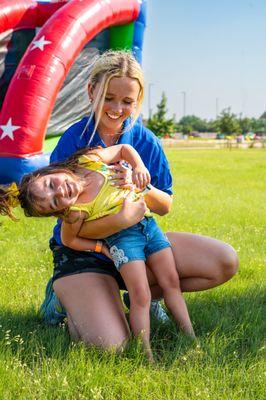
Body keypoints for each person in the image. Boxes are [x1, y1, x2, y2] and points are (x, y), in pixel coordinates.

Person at [3, 50, 238, 352]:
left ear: (137, 101)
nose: (116, 108)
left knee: (223, 262)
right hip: (86, 253)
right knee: (111, 346)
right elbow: (73, 228)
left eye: (127, 101)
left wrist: (137, 188)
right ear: (91, 91)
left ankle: (139, 297)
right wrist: (122, 218)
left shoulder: (145, 141)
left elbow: (164, 205)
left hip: (134, 241)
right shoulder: (76, 141)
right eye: (108, 97)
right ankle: (66, 300)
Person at [0, 144, 195, 361]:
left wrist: (138, 167)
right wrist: (100, 248)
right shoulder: (75, 211)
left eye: (51, 183)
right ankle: (145, 353)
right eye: (55, 201)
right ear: (59, 211)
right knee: (141, 295)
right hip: (124, 241)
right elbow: (69, 239)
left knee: (171, 282)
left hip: (149, 226)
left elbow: (123, 149)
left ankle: (190, 339)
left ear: (50, 171)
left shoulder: (88, 161)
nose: (60, 191)